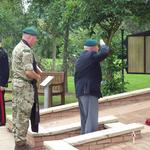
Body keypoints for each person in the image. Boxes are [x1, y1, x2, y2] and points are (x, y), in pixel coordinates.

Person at [12, 26, 42, 150]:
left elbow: (24, 66)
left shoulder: (18, 47)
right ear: (29, 37)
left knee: (17, 114)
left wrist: (37, 68)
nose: (35, 41)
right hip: (24, 87)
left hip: (18, 85)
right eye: (35, 39)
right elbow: (29, 72)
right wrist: (38, 77)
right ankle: (21, 145)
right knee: (23, 115)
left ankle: (19, 142)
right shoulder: (26, 50)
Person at [74, 39, 109, 134]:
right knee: (91, 118)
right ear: (93, 48)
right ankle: (90, 140)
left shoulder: (82, 57)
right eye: (97, 47)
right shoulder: (90, 55)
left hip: (81, 91)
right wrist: (103, 44)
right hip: (88, 91)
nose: (98, 49)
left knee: (85, 118)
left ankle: (84, 137)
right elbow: (105, 52)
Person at [0, 37, 9, 126]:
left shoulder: (2, 53)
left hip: (0, 83)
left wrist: (2, 84)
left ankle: (2, 121)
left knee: (0, 104)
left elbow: (5, 70)